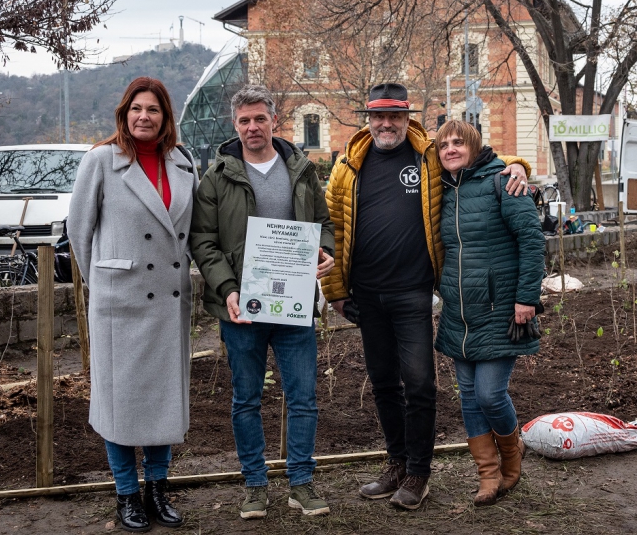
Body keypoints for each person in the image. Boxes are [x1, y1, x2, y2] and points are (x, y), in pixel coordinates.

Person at [321, 82, 529, 510]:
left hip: (413, 291)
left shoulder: (427, 155)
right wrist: (336, 292)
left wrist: (519, 164)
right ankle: (396, 463)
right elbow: (335, 228)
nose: (386, 124)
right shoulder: (348, 166)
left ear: (406, 117)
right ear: (369, 117)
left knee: (419, 384)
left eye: (394, 116)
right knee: (383, 384)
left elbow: (477, 158)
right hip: (366, 293)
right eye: (378, 116)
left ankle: (419, 473)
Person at [190, 85, 336, 519]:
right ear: (234, 125)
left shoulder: (301, 170)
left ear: (275, 120)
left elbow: (323, 223)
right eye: (244, 121)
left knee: (303, 398)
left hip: (293, 304)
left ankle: (302, 483)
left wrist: (325, 252)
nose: (253, 127)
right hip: (241, 308)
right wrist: (228, 289)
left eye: (260, 118)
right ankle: (254, 485)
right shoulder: (217, 176)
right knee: (246, 399)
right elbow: (203, 241)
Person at [69, 77, 198, 532]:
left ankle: (158, 491)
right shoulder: (101, 160)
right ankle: (126, 494)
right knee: (120, 404)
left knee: (163, 402)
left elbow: (194, 232)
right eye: (136, 109)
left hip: (167, 302)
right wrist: (103, 283)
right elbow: (79, 233)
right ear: (124, 114)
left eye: (154, 110)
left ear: (166, 117)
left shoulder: (183, 162)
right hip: (118, 305)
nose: (145, 117)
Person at [433, 120, 544, 506]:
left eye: (458, 143)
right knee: (467, 396)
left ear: (474, 146)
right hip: (459, 312)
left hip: (500, 309)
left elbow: (532, 240)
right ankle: (488, 475)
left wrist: (526, 297)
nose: (450, 149)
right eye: (444, 144)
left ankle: (512, 456)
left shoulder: (504, 182)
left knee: (490, 394)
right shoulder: (442, 191)